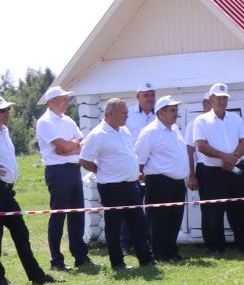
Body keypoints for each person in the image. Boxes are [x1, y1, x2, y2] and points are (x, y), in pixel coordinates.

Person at [79, 98, 155, 270]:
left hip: (131, 184)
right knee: (114, 226)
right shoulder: (98, 134)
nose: (127, 116)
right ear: (110, 114)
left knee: (138, 224)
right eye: (124, 113)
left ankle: (146, 259)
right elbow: (84, 160)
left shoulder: (124, 130)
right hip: (111, 186)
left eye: (127, 113)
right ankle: (117, 263)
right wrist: (101, 171)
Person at [0, 96, 57, 285]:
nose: (6, 113)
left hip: (7, 192)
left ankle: (37, 276)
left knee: (21, 233)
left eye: (7, 109)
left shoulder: (5, 131)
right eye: (2, 110)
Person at [190, 83, 244, 254]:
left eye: (225, 98)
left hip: (236, 170)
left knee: (240, 209)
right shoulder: (201, 121)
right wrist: (224, 157)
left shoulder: (236, 119)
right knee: (213, 212)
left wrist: (233, 158)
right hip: (213, 173)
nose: (222, 101)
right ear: (211, 99)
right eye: (218, 98)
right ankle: (216, 247)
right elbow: (201, 146)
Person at [35, 85, 92, 271]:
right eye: (63, 99)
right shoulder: (45, 122)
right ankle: (56, 261)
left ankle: (80, 256)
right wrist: (69, 147)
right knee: (59, 216)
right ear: (51, 102)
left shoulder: (67, 120)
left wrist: (69, 147)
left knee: (77, 214)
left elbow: (80, 143)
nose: (67, 102)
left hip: (73, 169)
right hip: (57, 172)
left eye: (67, 98)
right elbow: (63, 147)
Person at [134, 94, 193, 262]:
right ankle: (159, 253)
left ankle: (171, 250)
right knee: (159, 219)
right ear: (161, 113)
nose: (176, 113)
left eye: (176, 110)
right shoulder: (150, 132)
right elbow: (139, 159)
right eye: (172, 110)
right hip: (159, 181)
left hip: (176, 182)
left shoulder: (175, 129)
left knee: (175, 218)